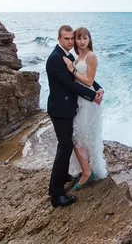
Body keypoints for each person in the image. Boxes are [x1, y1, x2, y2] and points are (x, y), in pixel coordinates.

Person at [46, 25, 103, 208]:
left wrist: (97, 87)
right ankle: (56, 195)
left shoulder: (69, 56)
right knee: (65, 147)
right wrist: (92, 96)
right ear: (59, 39)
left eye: (72, 38)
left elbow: (81, 76)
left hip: (68, 108)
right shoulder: (56, 59)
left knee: (68, 144)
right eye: (67, 39)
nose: (71, 42)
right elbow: (71, 84)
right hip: (60, 111)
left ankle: (63, 176)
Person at [62, 27, 108, 191]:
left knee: (82, 135)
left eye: (84, 38)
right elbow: (90, 82)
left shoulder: (91, 56)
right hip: (79, 100)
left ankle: (88, 172)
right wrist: (99, 87)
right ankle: (87, 169)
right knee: (79, 135)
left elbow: (88, 81)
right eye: (78, 38)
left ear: (89, 40)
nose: (81, 41)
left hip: (88, 102)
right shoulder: (77, 56)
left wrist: (72, 69)